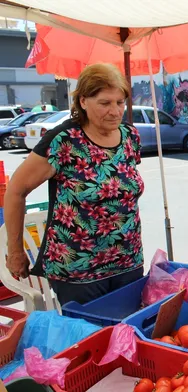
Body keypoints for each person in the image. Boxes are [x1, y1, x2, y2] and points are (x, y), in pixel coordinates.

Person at [4, 63, 144, 306]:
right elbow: (16, 191)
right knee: (88, 337)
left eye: (120, 102)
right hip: (79, 269)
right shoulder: (64, 141)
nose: (115, 111)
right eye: (104, 103)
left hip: (127, 260)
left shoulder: (130, 136)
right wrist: (15, 252)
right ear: (82, 102)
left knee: (126, 334)